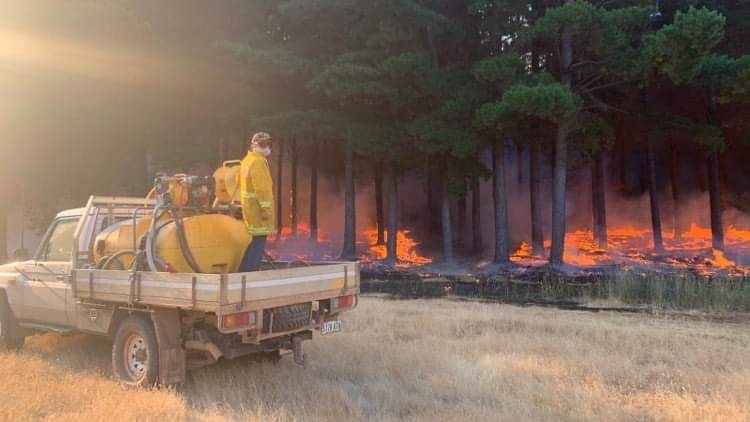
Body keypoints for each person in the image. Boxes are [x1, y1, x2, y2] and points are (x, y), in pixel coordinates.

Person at [238, 132, 276, 272]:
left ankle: (243, 271)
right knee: (258, 244)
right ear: (254, 145)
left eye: (268, 144)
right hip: (258, 211)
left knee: (252, 243)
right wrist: (266, 210)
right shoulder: (258, 161)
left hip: (250, 209)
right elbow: (262, 189)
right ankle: (249, 274)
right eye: (263, 144)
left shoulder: (247, 160)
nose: (266, 147)